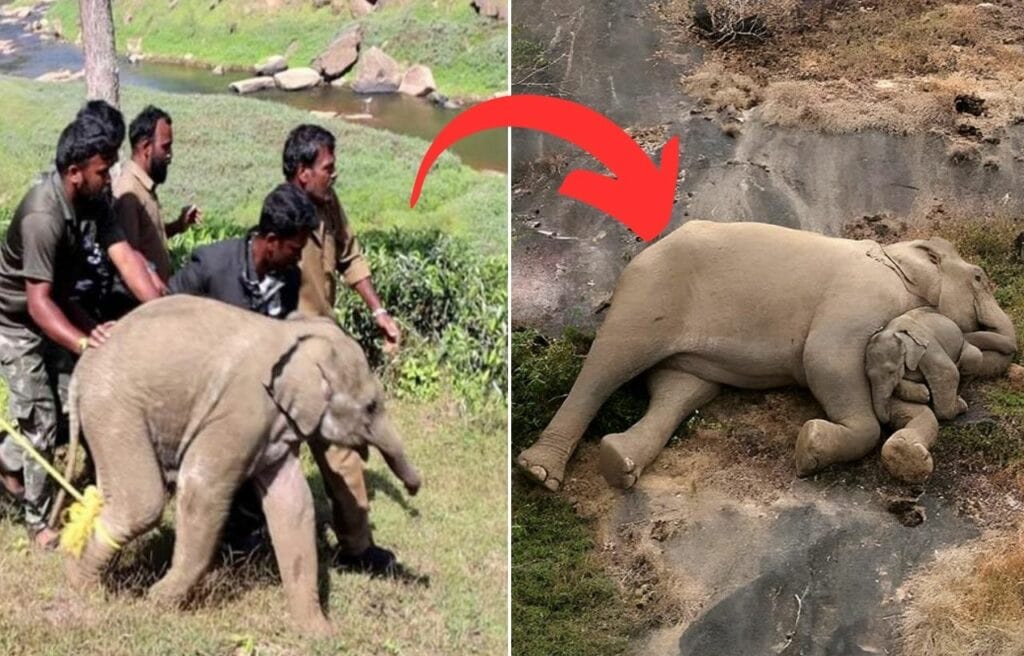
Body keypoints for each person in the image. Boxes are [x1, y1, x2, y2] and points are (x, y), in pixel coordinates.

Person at [0, 106, 162, 548]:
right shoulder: (42, 216)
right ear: (75, 172)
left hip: (60, 304)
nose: (109, 178)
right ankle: (37, 524)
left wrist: (166, 312)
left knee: (74, 402)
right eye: (102, 170)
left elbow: (124, 256)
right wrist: (84, 339)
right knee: (41, 420)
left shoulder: (95, 199)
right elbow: (36, 304)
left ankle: (6, 459)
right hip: (15, 321)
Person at [283, 124, 401, 572]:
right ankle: (257, 540)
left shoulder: (329, 204)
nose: (335, 175)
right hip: (286, 356)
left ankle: (356, 547)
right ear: (302, 173)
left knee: (341, 447)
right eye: (328, 168)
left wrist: (378, 312)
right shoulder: (282, 216)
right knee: (276, 457)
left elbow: (350, 256)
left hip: (325, 352)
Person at [113, 105, 202, 285]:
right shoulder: (129, 194)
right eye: (165, 147)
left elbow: (149, 238)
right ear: (146, 147)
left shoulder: (145, 186)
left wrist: (179, 224)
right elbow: (129, 262)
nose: (170, 155)